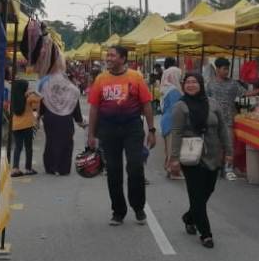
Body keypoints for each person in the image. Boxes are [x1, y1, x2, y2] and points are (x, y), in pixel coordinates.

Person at [87, 45, 156, 225]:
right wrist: (91, 135)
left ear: (123, 58)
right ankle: (118, 211)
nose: (108, 58)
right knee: (113, 171)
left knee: (135, 167)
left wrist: (152, 130)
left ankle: (138, 207)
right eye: (107, 55)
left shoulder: (136, 77)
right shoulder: (101, 79)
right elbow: (94, 107)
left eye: (112, 55)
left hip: (132, 128)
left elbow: (147, 104)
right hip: (108, 130)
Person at [168, 72, 232, 248]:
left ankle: (189, 217)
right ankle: (206, 234)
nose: (191, 85)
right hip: (191, 157)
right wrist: (174, 158)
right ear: (183, 85)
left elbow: (223, 129)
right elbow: (177, 133)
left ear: (201, 84)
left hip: (212, 154)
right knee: (196, 195)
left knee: (207, 190)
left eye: (194, 82)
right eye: (187, 82)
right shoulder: (180, 106)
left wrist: (228, 150)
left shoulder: (212, 104)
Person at [39, 72, 85, 175]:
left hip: (50, 119)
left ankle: (50, 167)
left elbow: (42, 104)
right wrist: (79, 120)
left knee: (51, 141)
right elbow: (75, 108)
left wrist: (41, 114)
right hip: (65, 119)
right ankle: (63, 168)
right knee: (66, 143)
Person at [207, 57, 244, 181]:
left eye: (227, 69)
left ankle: (228, 169)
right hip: (213, 120)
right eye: (224, 69)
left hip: (228, 120)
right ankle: (215, 167)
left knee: (229, 145)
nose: (226, 72)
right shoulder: (210, 84)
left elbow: (244, 93)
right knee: (214, 145)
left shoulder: (233, 84)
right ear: (217, 69)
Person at [10, 79, 41, 176]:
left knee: (18, 147)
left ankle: (15, 168)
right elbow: (41, 98)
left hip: (16, 126)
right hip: (27, 125)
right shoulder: (29, 97)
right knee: (28, 147)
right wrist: (34, 91)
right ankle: (28, 168)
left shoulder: (14, 98)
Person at [158, 66, 185, 179]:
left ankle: (169, 169)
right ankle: (174, 171)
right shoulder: (174, 90)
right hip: (172, 121)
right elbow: (177, 108)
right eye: (179, 76)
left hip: (165, 120)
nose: (181, 79)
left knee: (168, 148)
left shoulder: (165, 88)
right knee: (173, 148)